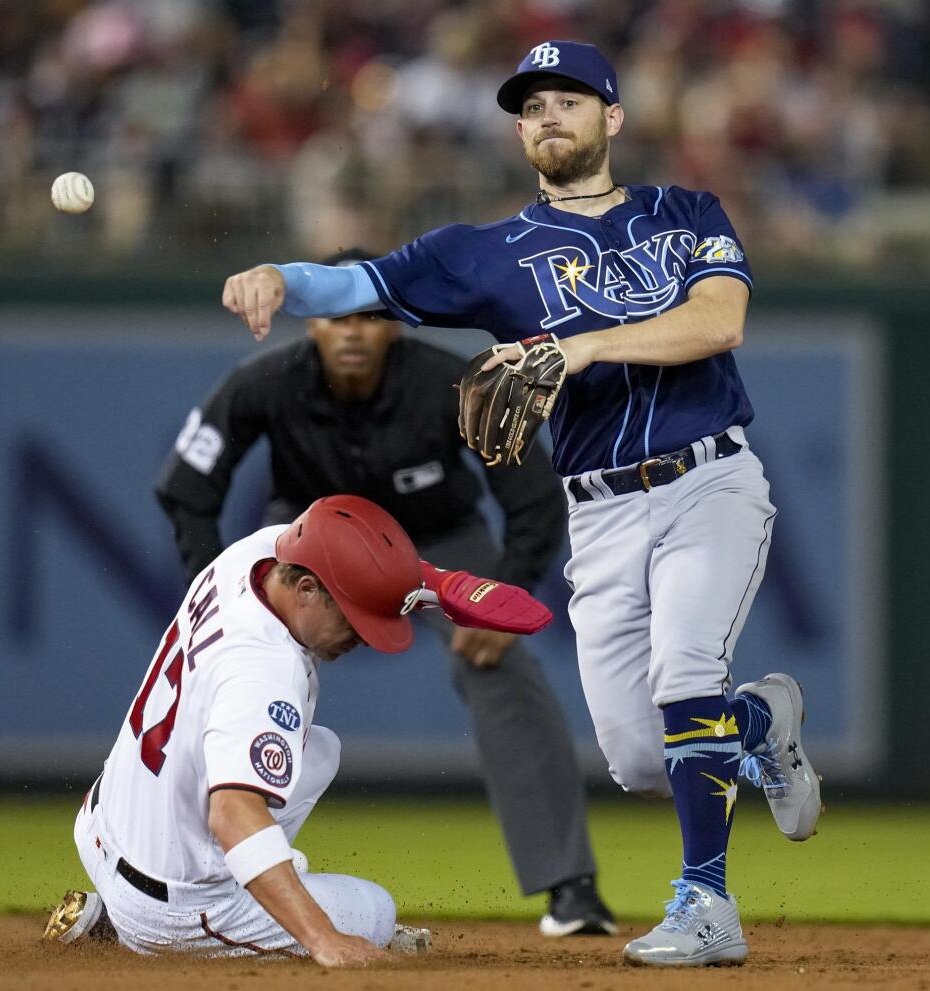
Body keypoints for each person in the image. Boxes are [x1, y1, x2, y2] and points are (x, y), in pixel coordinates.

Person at [219, 41, 823, 968]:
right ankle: (757, 724)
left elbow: (719, 319)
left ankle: (707, 903)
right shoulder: (484, 254)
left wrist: (578, 348)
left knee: (684, 669)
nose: (548, 115)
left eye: (569, 100)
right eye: (532, 104)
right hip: (603, 511)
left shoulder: (683, 211)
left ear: (612, 118)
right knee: (634, 756)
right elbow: (360, 283)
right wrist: (281, 277)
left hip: (708, 479)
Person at [154, 248, 615, 936]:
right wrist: (215, 581)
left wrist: (508, 586)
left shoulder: (447, 382)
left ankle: (570, 888)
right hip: (306, 541)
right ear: (310, 326)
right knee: (222, 669)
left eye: (369, 319)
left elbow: (533, 497)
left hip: (436, 539)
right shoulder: (266, 383)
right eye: (335, 318)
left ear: (394, 327)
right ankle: (168, 871)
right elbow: (186, 489)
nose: (351, 331)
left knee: (505, 670)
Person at [43, 495, 553, 965]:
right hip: (174, 905)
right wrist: (322, 938)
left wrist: (442, 585)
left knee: (319, 752)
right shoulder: (265, 670)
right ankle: (127, 925)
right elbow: (232, 814)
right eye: (355, 619)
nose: (364, 637)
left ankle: (136, 903)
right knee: (374, 913)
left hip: (105, 825)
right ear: (306, 589)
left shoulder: (256, 554)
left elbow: (351, 559)